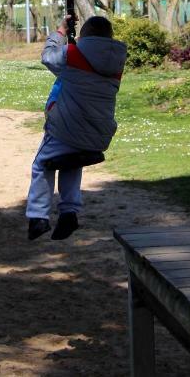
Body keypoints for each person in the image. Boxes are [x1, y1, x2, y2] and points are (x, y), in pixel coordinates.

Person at [26, 14, 127, 241]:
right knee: (71, 160)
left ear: (84, 37)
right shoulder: (117, 60)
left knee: (42, 164)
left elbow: (48, 58)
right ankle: (69, 213)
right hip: (97, 132)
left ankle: (37, 216)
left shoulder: (72, 54)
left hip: (66, 125)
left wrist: (61, 32)